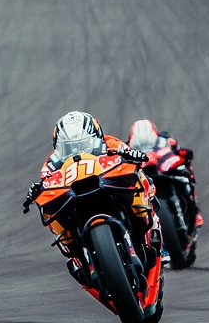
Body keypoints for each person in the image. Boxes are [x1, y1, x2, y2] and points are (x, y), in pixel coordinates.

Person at [22, 111, 159, 311]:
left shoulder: (111, 143)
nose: (76, 150)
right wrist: (36, 190)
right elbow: (45, 180)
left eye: (85, 143)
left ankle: (148, 229)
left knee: (140, 189)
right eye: (68, 148)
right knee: (50, 214)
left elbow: (128, 153)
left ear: (97, 136)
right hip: (74, 199)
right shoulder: (51, 162)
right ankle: (77, 257)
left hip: (108, 187)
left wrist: (133, 155)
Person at [127, 118, 203, 229]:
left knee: (185, 175)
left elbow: (177, 149)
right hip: (143, 179)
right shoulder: (127, 147)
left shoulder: (164, 139)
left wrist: (182, 153)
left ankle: (196, 211)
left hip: (164, 170)